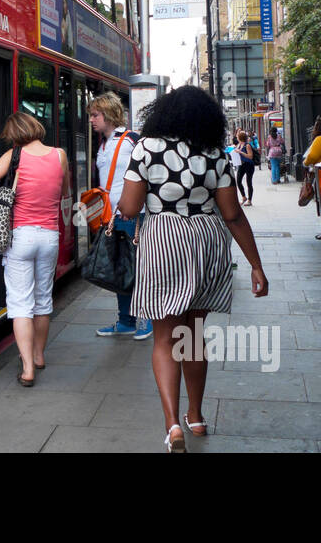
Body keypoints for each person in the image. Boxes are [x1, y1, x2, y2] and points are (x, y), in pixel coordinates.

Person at [117, 87, 269, 452]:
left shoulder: (147, 148)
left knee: (165, 338)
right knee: (194, 335)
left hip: (164, 241)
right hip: (206, 240)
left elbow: (129, 207)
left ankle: (172, 425)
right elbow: (232, 214)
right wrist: (256, 266)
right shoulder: (215, 153)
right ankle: (196, 416)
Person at [0, 111, 70, 387]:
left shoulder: (14, 157)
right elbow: (65, 190)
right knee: (43, 301)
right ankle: (40, 356)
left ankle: (27, 367)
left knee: (20, 303)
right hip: (50, 237)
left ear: (15, 135)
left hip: (20, 236)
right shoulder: (59, 155)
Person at [88, 93, 151, 340]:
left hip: (134, 215)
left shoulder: (131, 140)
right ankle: (126, 321)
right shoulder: (103, 144)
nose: (92, 120)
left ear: (110, 114)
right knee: (120, 269)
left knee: (139, 269)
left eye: (96, 115)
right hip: (111, 217)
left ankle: (146, 319)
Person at [235, 131, 256, 205]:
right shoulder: (239, 144)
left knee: (249, 182)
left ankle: (250, 200)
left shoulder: (247, 145)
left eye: (237, 136)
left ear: (240, 137)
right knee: (238, 181)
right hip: (241, 164)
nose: (236, 137)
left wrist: (241, 152)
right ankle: (244, 197)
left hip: (249, 165)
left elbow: (250, 156)